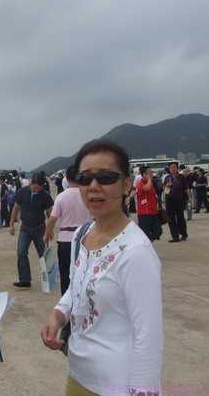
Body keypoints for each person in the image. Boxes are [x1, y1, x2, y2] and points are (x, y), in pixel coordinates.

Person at [40, 139, 163, 396]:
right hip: (78, 374)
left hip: (117, 383)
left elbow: (148, 335)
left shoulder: (135, 252)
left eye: (106, 177)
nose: (94, 186)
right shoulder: (81, 234)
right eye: (85, 178)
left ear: (126, 184)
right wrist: (58, 314)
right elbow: (77, 288)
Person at [44, 165, 92, 295]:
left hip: (65, 240)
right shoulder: (87, 195)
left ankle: (66, 300)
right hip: (86, 239)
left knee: (65, 274)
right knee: (85, 273)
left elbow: (52, 219)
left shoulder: (61, 196)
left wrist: (47, 234)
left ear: (67, 178)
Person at [9, 175, 54, 289]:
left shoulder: (45, 195)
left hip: (40, 228)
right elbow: (16, 208)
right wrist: (11, 224)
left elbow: (49, 213)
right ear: (31, 183)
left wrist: (50, 230)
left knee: (43, 254)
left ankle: (49, 278)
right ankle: (25, 280)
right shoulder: (22, 192)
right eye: (36, 187)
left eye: (40, 188)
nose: (37, 190)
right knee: (21, 252)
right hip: (25, 228)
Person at [163, 162, 190, 242]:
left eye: (174, 167)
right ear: (169, 169)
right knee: (171, 219)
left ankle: (184, 234)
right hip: (169, 200)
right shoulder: (167, 177)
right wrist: (167, 186)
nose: (173, 169)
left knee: (180, 217)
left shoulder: (181, 177)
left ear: (177, 168)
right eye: (171, 167)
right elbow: (165, 190)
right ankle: (175, 237)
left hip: (179, 200)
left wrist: (189, 198)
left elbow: (186, 188)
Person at [135, 166, 162, 241]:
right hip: (144, 213)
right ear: (144, 174)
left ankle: (149, 241)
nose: (151, 174)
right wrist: (149, 179)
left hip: (153, 211)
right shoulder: (140, 183)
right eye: (149, 173)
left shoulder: (151, 183)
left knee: (158, 231)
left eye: (151, 172)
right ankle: (147, 243)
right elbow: (146, 188)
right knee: (145, 232)